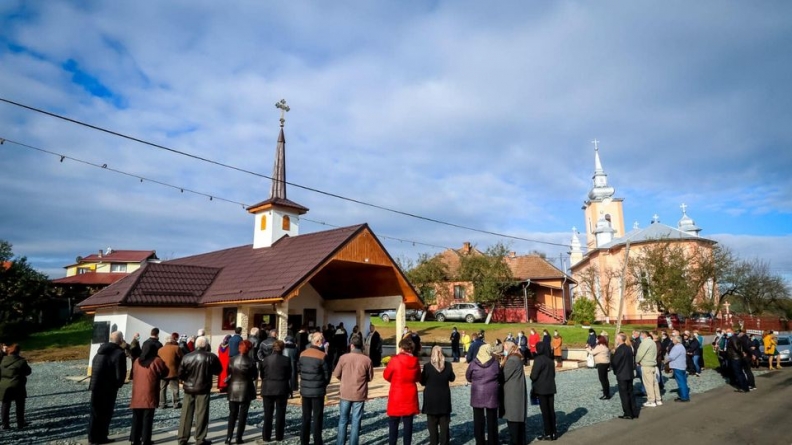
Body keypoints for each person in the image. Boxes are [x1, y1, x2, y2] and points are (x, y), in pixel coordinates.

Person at [178, 336, 222, 445]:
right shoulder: (211, 357)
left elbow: (180, 373)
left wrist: (186, 379)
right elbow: (218, 370)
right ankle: (200, 438)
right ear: (206, 345)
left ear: (196, 345)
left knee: (186, 413)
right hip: (203, 388)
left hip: (189, 388)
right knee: (202, 414)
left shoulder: (187, 356)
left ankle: (182, 438)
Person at [88, 331, 127, 445]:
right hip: (109, 387)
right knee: (106, 413)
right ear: (120, 340)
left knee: (95, 412)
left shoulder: (99, 351)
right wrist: (118, 384)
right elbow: (120, 374)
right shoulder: (119, 353)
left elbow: (94, 365)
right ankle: (102, 436)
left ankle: (92, 437)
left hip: (96, 386)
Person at [333, 334, 373, 445]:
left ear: (351, 345)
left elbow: (336, 374)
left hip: (345, 392)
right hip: (359, 393)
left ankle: (340, 443)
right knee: (356, 421)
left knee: (343, 420)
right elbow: (370, 377)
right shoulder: (367, 360)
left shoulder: (343, 358)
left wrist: (344, 379)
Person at [129, 341, 169, 445]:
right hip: (150, 392)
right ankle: (146, 439)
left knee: (136, 417)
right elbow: (165, 372)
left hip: (137, 392)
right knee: (147, 417)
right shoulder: (156, 361)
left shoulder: (137, 361)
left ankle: (134, 439)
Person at [384, 337, 421, 445]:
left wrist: (394, 379)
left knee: (393, 423)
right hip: (410, 394)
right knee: (408, 424)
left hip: (396, 393)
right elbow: (418, 377)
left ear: (401, 348)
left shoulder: (395, 360)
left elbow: (386, 375)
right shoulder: (415, 361)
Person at [298, 332, 331, 445]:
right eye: (322, 340)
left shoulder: (302, 354)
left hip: (305, 390)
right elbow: (327, 375)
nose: (323, 342)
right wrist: (323, 384)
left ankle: (304, 440)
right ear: (318, 342)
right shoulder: (322, 356)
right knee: (317, 417)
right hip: (317, 391)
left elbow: (300, 370)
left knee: (305, 416)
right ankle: (317, 440)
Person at [466, 344, 500, 445]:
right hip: (492, 392)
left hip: (478, 392)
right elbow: (499, 375)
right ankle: (492, 441)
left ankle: (479, 441)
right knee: (492, 420)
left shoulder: (473, 363)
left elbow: (468, 376)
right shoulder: (495, 363)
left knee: (478, 420)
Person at [421, 346, 455, 445]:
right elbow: (452, 378)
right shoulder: (448, 365)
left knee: (432, 426)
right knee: (444, 426)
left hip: (431, 398)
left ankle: (433, 443)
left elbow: (422, 381)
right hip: (444, 398)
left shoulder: (427, 366)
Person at [260, 340, 292, 443]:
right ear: (282, 348)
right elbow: (288, 374)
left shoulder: (266, 360)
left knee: (268, 414)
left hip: (268, 387)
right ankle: (279, 435)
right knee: (280, 413)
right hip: (281, 387)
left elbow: (262, 374)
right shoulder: (286, 360)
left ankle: (266, 436)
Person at [225, 340, 256, 445]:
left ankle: (228, 437)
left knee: (232, 414)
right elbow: (255, 376)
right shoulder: (251, 361)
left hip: (233, 388)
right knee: (243, 415)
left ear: (239, 348)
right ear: (249, 349)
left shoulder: (232, 359)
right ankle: (238, 437)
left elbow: (228, 372)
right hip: (246, 389)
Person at [0, 344, 32, 430]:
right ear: (18, 352)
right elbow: (28, 372)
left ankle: (5, 424)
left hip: (4, 385)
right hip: (17, 385)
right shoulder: (21, 361)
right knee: (20, 405)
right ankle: (20, 423)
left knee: (5, 405)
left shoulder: (2, 360)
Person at [530, 342, 557, 441]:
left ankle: (548, 433)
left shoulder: (538, 360)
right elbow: (553, 375)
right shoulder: (550, 360)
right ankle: (554, 432)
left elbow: (534, 376)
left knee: (545, 412)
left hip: (541, 389)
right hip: (551, 387)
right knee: (551, 410)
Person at [501, 341, 527, 445]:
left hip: (512, 394)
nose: (504, 350)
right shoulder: (517, 358)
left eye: (504, 348)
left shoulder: (512, 360)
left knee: (513, 420)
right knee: (518, 421)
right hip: (517, 392)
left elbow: (503, 376)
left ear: (508, 347)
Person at [612, 333, 638, 419]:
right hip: (629, 373)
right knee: (630, 393)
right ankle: (634, 411)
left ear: (620, 339)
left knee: (624, 394)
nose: (616, 339)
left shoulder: (620, 349)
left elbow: (615, 362)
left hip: (622, 374)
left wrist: (615, 371)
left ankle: (628, 413)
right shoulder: (629, 348)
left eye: (617, 338)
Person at [157, 332, 183, 409]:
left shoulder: (160, 350)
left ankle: (162, 403)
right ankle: (176, 403)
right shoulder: (176, 348)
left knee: (162, 389)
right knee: (175, 389)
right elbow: (182, 358)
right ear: (172, 340)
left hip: (163, 372)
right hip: (174, 372)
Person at [635, 331, 661, 407]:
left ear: (643, 335)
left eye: (641, 335)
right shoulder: (653, 342)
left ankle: (651, 400)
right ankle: (658, 399)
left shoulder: (645, 343)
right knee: (654, 383)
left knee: (648, 383)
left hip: (646, 365)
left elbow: (640, 354)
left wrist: (637, 361)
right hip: (653, 364)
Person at [665, 334, 690, 401]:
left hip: (678, 366)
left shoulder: (677, 347)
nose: (672, 340)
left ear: (676, 340)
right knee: (683, 381)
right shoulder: (681, 346)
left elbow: (671, 357)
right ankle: (684, 395)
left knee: (681, 382)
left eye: (673, 339)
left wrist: (665, 360)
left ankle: (684, 397)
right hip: (682, 366)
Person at [587, 335, 611, 399]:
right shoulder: (604, 345)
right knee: (605, 379)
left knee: (602, 379)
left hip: (601, 364)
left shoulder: (600, 346)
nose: (596, 340)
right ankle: (607, 393)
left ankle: (606, 394)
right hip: (606, 363)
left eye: (597, 339)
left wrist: (587, 348)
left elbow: (592, 352)